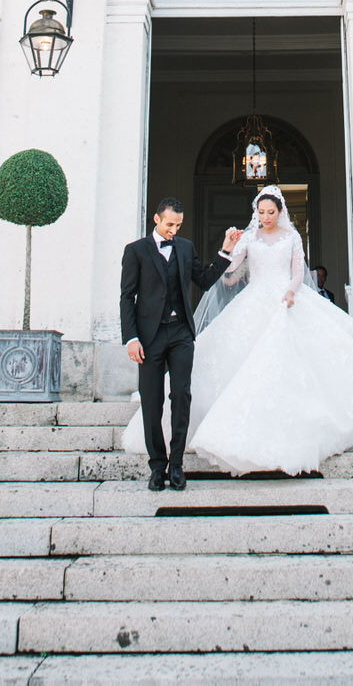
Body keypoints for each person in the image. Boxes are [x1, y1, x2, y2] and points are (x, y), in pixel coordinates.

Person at [123, 185, 353, 477]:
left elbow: (296, 273)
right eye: (261, 212)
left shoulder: (291, 237)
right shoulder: (248, 238)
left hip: (285, 299)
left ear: (280, 213)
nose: (265, 216)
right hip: (249, 301)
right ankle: (165, 460)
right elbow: (226, 273)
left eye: (270, 212)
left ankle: (286, 436)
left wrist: (291, 292)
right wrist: (228, 255)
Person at [120, 196, 242, 493]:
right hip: (148, 338)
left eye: (179, 225)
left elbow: (203, 279)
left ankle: (176, 465)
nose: (174, 230)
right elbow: (127, 297)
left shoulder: (185, 247)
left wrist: (226, 250)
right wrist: (131, 338)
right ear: (157, 220)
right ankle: (157, 466)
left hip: (180, 335)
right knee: (151, 401)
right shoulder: (135, 251)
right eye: (170, 224)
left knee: (182, 396)